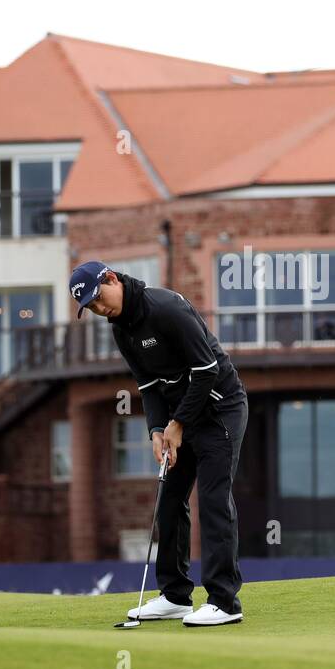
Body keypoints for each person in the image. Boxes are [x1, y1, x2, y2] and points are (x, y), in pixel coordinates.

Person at [69, 261, 247, 627]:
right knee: (170, 500)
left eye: (100, 298)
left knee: (213, 500)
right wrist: (156, 429)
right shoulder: (121, 330)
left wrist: (177, 424)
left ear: (113, 279)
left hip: (219, 411)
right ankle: (175, 595)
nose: (100, 309)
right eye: (92, 307)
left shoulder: (166, 308)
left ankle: (224, 601)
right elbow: (148, 385)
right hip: (180, 415)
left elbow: (206, 369)